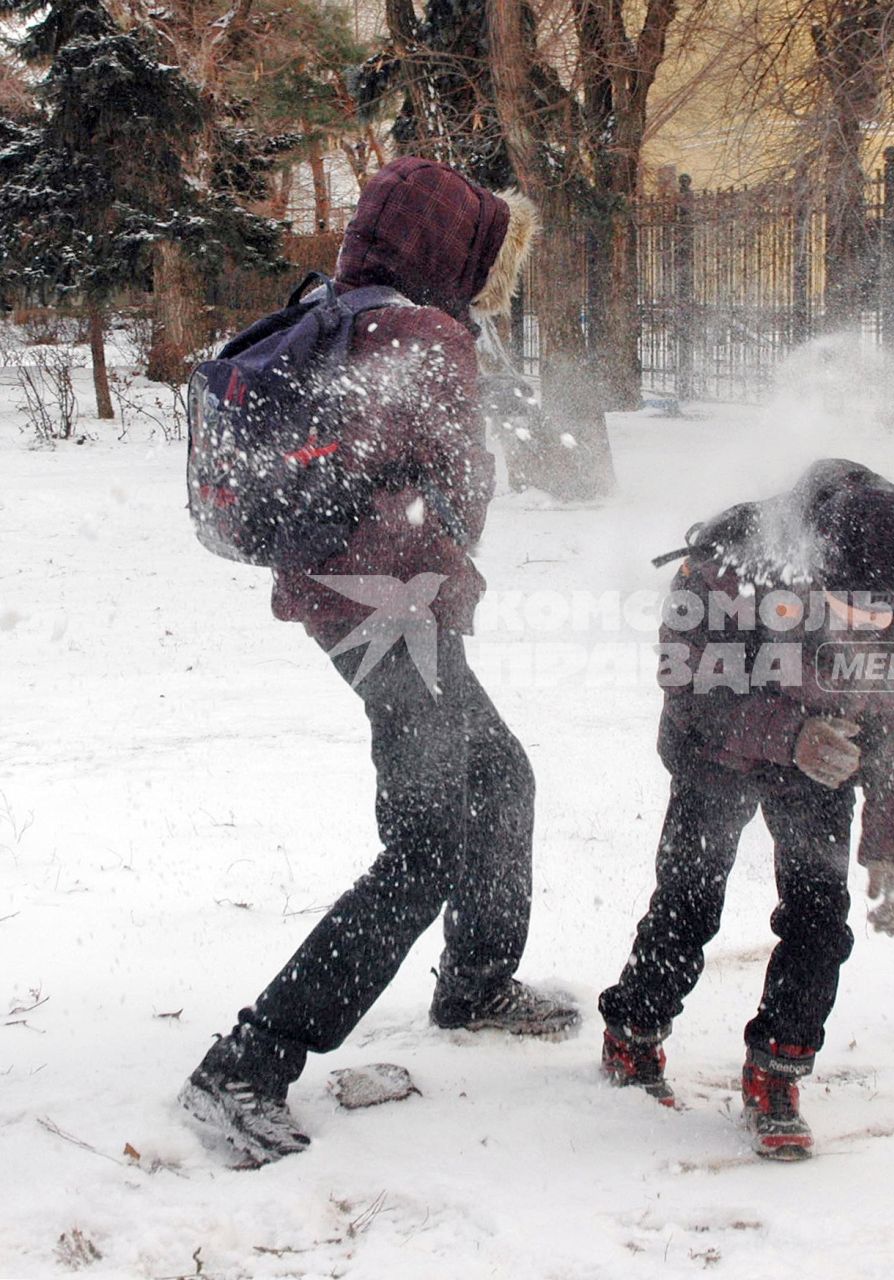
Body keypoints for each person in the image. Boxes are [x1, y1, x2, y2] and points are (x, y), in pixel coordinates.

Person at [180, 157, 576, 1167]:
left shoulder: (341, 308)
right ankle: (248, 1060)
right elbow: (460, 485)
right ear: (452, 250)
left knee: (499, 774)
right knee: (428, 842)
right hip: (394, 613)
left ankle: (477, 981)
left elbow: (353, 457)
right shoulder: (426, 335)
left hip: (349, 599)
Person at [598, 459, 894, 1159]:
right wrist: (790, 735)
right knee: (689, 902)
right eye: (850, 608)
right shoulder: (726, 568)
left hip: (824, 766)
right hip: (716, 754)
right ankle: (633, 1030)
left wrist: (891, 844)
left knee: (818, 916)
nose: (867, 625)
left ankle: (776, 1070)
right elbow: (687, 689)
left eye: (880, 611)